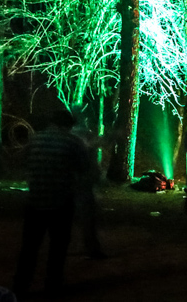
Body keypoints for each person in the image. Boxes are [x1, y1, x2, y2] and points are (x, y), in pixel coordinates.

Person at [13, 107, 88, 297]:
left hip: (35, 201)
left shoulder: (35, 139)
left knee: (29, 247)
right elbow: (84, 170)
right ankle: (52, 285)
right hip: (60, 203)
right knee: (58, 247)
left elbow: (22, 161)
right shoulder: (73, 141)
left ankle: (20, 286)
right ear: (68, 125)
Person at [71, 103, 106, 259]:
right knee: (87, 216)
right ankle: (91, 248)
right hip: (82, 180)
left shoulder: (72, 133)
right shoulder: (80, 134)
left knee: (74, 216)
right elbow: (90, 152)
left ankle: (82, 246)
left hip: (74, 180)